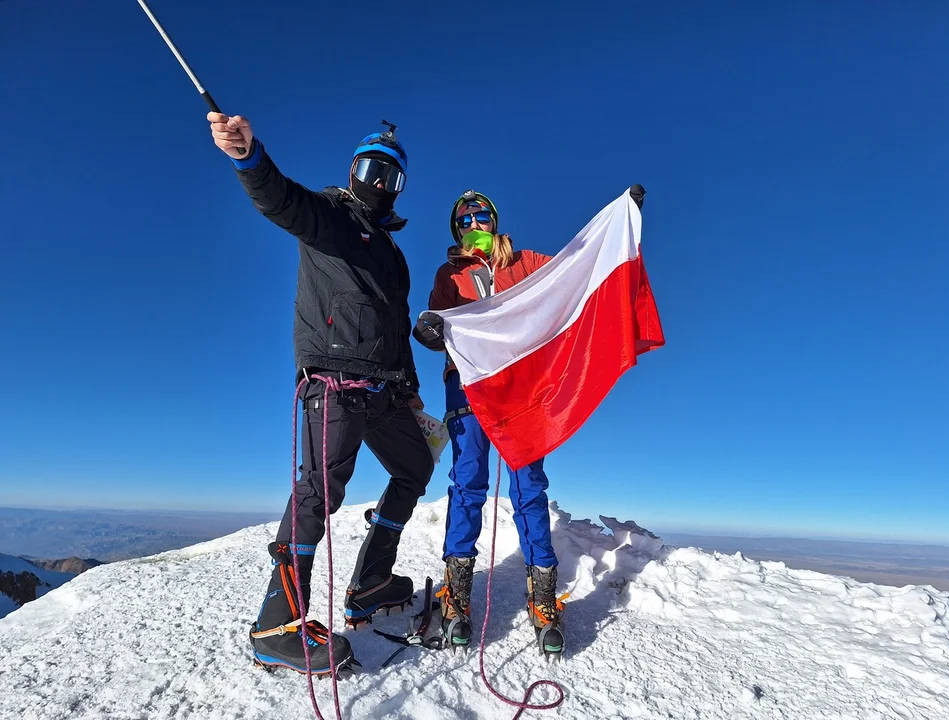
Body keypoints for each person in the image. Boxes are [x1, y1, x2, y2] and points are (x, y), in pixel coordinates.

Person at [207, 112, 435, 676]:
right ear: (354, 170)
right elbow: (281, 200)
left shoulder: (394, 255)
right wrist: (248, 157)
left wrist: (409, 390)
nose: (379, 182)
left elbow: (396, 325)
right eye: (371, 169)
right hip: (334, 381)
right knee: (318, 494)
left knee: (414, 469)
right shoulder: (332, 216)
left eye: (391, 176)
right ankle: (276, 626)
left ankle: (370, 584)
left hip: (384, 390)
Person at [414, 186, 647, 658]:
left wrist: (618, 221)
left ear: (494, 221)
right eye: (465, 219)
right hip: (467, 384)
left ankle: (542, 597)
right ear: (458, 229)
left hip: (522, 389)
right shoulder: (449, 273)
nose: (474, 224)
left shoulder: (526, 262)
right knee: (468, 483)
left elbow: (574, 270)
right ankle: (457, 594)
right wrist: (430, 330)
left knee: (528, 486)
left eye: (482, 216)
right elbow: (437, 325)